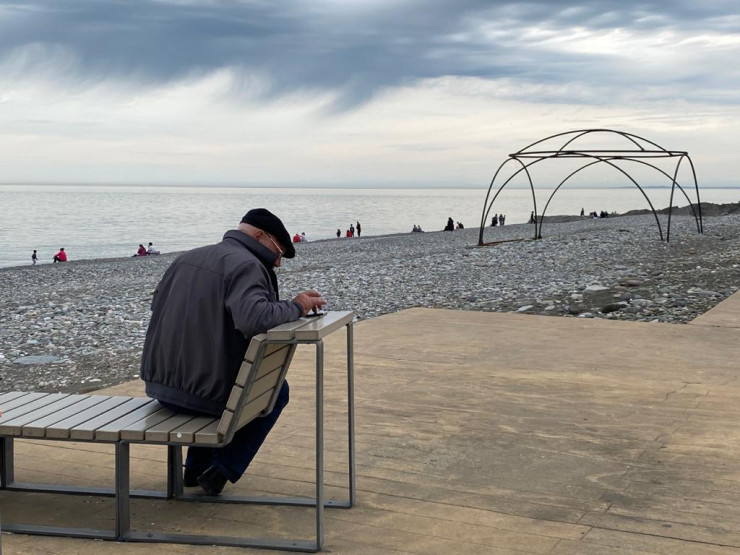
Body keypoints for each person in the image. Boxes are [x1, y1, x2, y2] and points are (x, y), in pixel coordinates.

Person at [140, 208, 326, 496]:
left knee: (212, 376)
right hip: (201, 395)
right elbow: (255, 318)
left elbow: (159, 307)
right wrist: (298, 306)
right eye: (278, 252)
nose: (278, 262)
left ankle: (195, 469)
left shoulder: (187, 257)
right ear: (260, 236)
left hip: (160, 387)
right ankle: (221, 471)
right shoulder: (246, 265)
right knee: (275, 389)